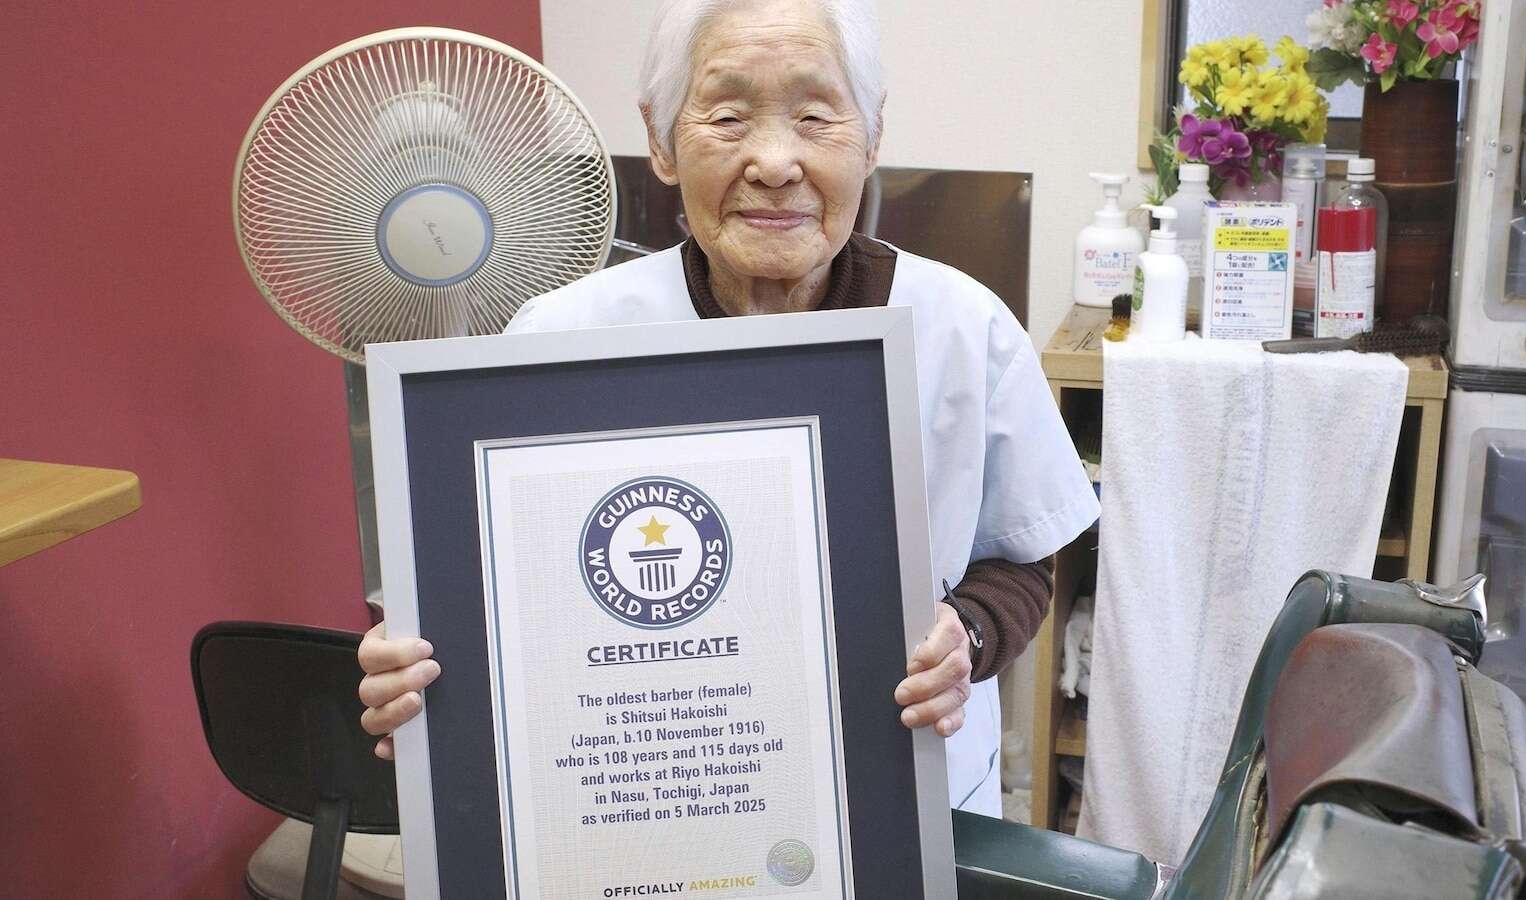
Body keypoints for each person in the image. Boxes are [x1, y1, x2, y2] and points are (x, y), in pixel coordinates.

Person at [357, 0, 1097, 816]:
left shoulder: (964, 328)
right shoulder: (561, 338)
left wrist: (969, 636)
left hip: (904, 800)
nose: (774, 162)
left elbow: (1024, 557)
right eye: (729, 115)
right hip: (643, 802)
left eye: (816, 115)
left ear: (873, 132)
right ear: (663, 139)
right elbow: (498, 590)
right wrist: (428, 676)